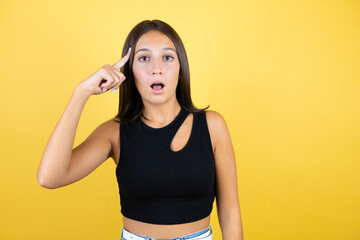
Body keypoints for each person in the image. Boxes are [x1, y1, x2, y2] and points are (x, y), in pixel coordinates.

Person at [37, 19, 243, 240]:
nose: (156, 69)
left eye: (167, 57)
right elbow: (50, 177)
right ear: (129, 71)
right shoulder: (113, 133)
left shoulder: (213, 125)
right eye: (144, 58)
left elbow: (230, 212)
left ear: (180, 68)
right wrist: (81, 93)